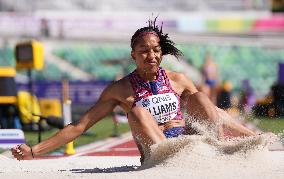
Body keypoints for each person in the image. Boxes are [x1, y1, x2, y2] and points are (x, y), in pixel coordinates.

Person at [11, 17, 256, 163]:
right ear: (133, 55)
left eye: (156, 50)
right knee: (137, 111)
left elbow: (214, 112)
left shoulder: (178, 79)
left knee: (200, 97)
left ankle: (218, 152)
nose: (151, 56)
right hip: (157, 152)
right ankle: (174, 158)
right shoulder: (119, 89)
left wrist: (253, 138)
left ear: (162, 52)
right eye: (144, 51)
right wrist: (34, 151)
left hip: (189, 142)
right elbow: (79, 126)